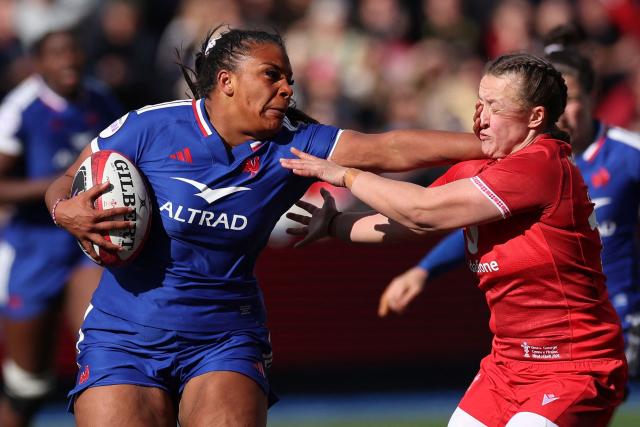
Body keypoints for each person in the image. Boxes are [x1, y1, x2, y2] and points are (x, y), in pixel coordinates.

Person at [44, 26, 487, 426]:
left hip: (223, 337)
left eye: (289, 77)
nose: (287, 88)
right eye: (272, 75)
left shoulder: (294, 142)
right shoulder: (150, 126)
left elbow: (389, 149)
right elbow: (65, 182)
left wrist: (495, 146)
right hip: (124, 333)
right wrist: (64, 209)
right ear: (227, 82)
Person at [281, 52, 627, 426]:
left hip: (573, 367)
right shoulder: (483, 167)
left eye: (494, 106)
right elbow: (408, 222)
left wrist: (346, 175)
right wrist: (336, 224)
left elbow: (423, 210)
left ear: (535, 117)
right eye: (479, 102)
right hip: (507, 366)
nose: (480, 116)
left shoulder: (541, 165)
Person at [379, 31, 640, 381]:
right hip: (549, 335)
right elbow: (479, 222)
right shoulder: (520, 164)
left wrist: (347, 176)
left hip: (612, 324)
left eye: (572, 99)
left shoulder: (627, 155)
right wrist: (424, 269)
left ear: (592, 97)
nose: (561, 113)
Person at [0, 29, 122, 427]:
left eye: (74, 50)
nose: (68, 60)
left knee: (104, 349)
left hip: (88, 242)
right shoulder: (21, 109)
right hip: (33, 248)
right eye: (56, 53)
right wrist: (62, 183)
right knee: (27, 384)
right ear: (38, 64)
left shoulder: (102, 100)